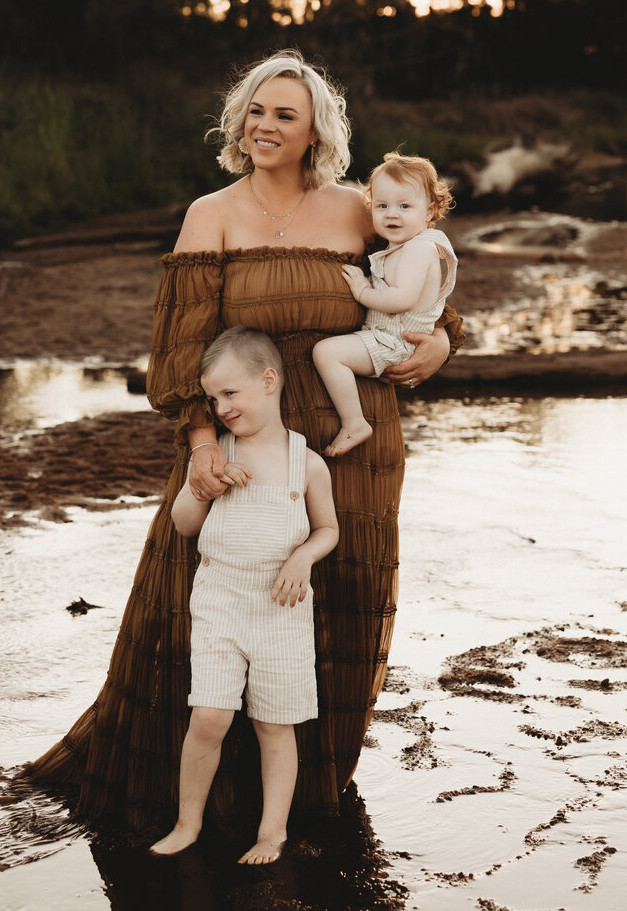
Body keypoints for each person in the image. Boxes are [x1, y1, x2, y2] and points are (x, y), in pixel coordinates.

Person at [26, 49, 464, 834]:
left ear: (313, 132)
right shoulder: (211, 213)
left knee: (337, 608)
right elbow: (181, 346)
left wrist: (442, 347)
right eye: (256, 111)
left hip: (348, 446)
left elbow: (423, 283)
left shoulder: (358, 211)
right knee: (192, 606)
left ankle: (303, 801)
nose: (265, 125)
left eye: (284, 115)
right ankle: (194, 804)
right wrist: (200, 445)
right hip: (238, 437)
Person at [149, 326, 338, 863]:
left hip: (281, 611)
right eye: (213, 399)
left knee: (275, 724)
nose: (222, 407)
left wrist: (303, 556)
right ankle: (188, 823)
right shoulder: (216, 455)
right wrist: (201, 485)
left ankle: (271, 831)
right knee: (209, 716)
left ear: (269, 380)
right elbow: (185, 525)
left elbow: (328, 530)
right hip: (220, 605)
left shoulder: (306, 462)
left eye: (230, 393)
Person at [313, 152, 457, 456]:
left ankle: (354, 422)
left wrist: (363, 291)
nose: (392, 214)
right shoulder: (405, 246)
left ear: (429, 211)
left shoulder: (418, 250)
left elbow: (402, 300)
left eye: (404, 206)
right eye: (382, 206)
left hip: (395, 342)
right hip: (388, 337)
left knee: (327, 353)